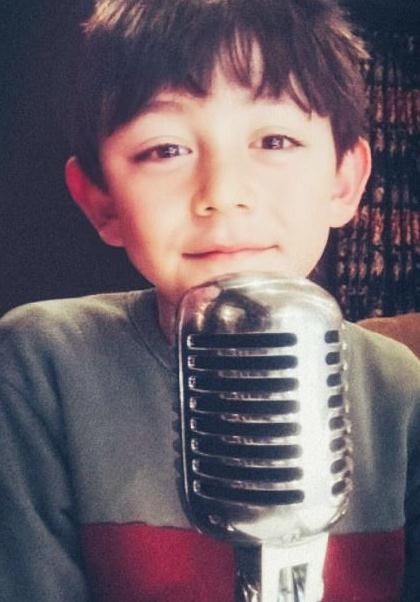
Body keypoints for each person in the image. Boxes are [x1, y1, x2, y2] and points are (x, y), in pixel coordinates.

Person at [0, 0, 419, 600]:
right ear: (100, 200)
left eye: (275, 140)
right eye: (165, 150)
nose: (222, 192)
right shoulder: (41, 365)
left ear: (344, 181)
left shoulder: (401, 388)